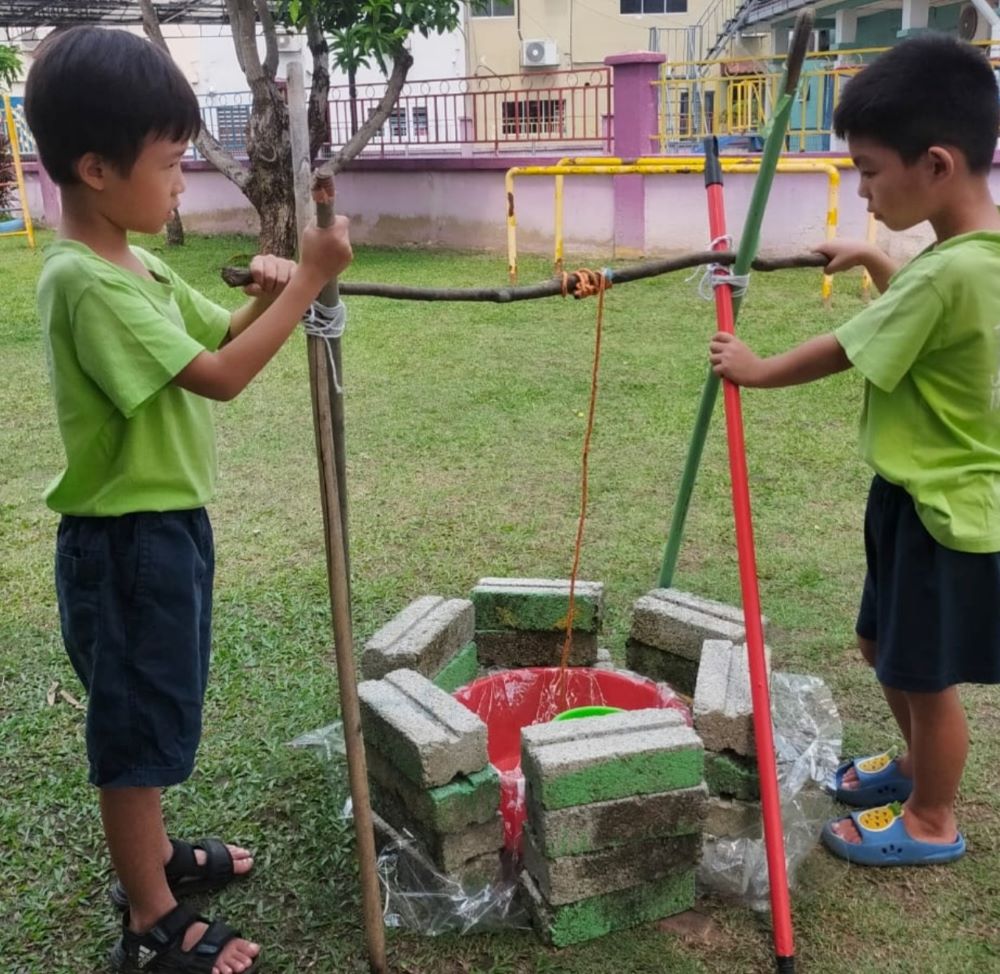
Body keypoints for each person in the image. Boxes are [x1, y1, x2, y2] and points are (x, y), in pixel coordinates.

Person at [25, 25, 352, 972]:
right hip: (126, 545)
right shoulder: (84, 281)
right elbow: (217, 375)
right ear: (95, 167)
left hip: (165, 530)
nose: (181, 184)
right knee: (133, 732)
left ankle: (155, 858)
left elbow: (220, 327)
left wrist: (270, 286)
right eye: (170, 165)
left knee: (158, 710)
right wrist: (313, 283)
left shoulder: (136, 260)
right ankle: (149, 920)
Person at [709, 34, 1000, 867]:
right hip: (926, 496)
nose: (863, 189)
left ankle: (934, 817)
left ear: (936, 164)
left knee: (924, 674)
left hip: (939, 508)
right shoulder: (975, 258)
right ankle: (914, 770)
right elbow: (927, 321)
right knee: (885, 646)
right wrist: (876, 257)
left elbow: (849, 345)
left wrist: (756, 371)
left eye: (870, 170)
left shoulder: (948, 274)